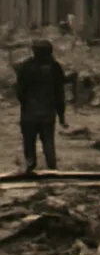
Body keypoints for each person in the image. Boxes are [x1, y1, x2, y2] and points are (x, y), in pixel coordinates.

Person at [16, 39, 68, 173]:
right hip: (48, 112)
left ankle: (30, 164)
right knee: (48, 142)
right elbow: (59, 94)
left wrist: (25, 105)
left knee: (29, 141)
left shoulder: (26, 66)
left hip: (29, 112)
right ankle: (52, 167)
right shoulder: (55, 67)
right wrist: (61, 116)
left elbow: (20, 91)